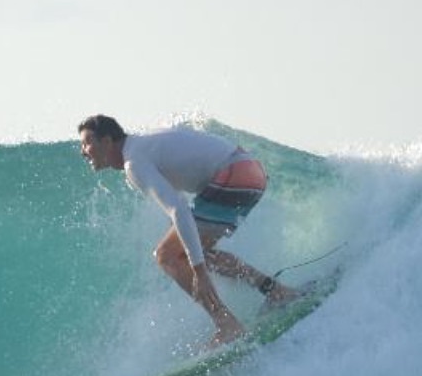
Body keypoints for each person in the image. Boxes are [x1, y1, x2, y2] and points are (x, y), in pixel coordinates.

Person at [78, 115, 299, 347]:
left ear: (107, 140)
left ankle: (227, 324)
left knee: (167, 255)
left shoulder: (134, 162)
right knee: (189, 250)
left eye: (87, 142)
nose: (83, 151)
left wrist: (200, 275)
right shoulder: (143, 146)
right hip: (250, 171)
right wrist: (194, 258)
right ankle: (275, 291)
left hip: (234, 174)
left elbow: (178, 209)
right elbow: (181, 209)